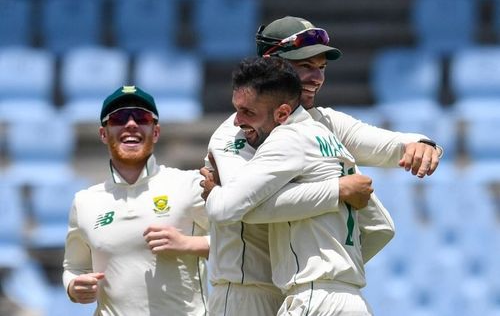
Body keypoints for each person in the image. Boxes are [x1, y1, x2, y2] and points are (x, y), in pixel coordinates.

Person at [201, 16, 443, 316]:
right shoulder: (235, 134)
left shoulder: (321, 123)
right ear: (272, 66)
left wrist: (423, 143)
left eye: (321, 67)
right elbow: (242, 208)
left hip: (298, 292)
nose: (317, 78)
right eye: (305, 66)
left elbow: (391, 145)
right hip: (244, 293)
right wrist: (336, 191)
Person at [202, 56, 380, 315]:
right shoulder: (330, 140)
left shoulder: (287, 137)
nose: (237, 122)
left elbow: (224, 209)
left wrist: (214, 192)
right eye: (236, 109)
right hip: (353, 300)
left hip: (312, 300)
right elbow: (381, 227)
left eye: (248, 112)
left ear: (283, 113)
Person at [62, 85, 210, 316]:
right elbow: (74, 267)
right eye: (119, 118)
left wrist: (187, 244)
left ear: (156, 132)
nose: (131, 124)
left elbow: (239, 243)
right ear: (103, 134)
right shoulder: (84, 201)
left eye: (141, 117)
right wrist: (73, 287)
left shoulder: (189, 184)